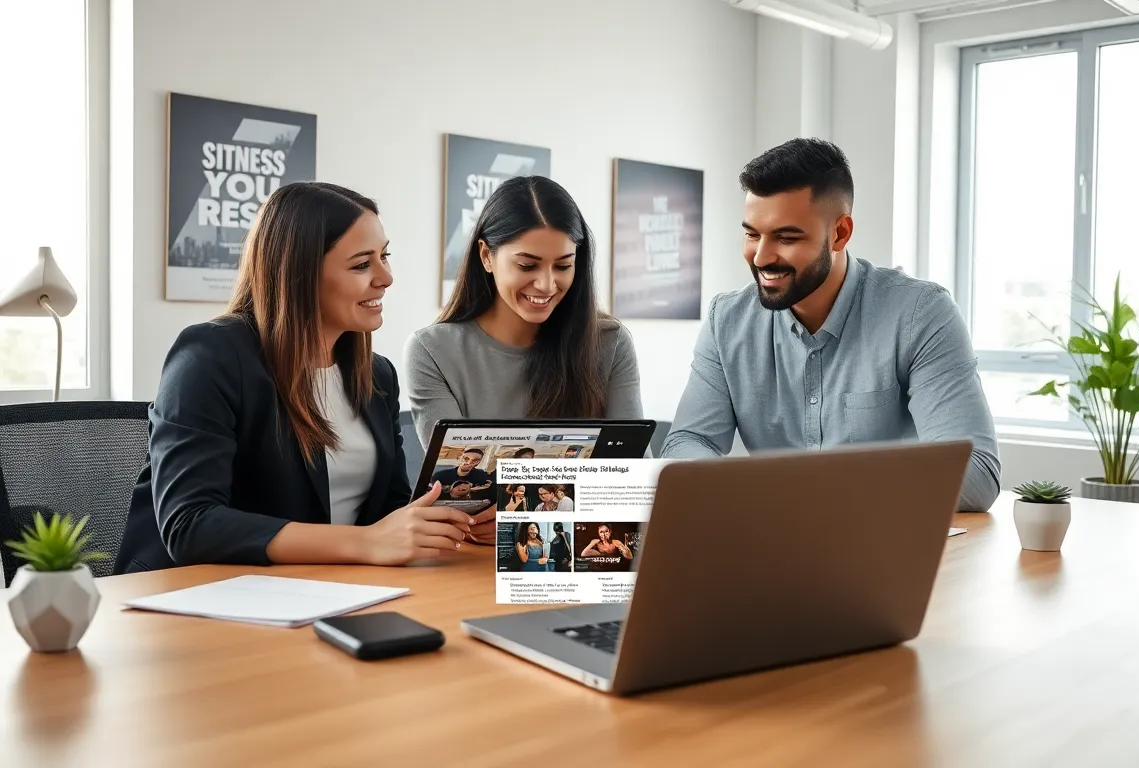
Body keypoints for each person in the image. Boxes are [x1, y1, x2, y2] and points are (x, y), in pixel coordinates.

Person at [114, 182, 478, 574]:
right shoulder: (209, 356)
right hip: (198, 597)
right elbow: (190, 525)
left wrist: (455, 522)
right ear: (298, 273)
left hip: (329, 590)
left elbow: (387, 510)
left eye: (384, 256)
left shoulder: (377, 375)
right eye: (361, 264)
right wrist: (366, 543)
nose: (385, 277)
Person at [659, 138, 1001, 512]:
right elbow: (687, 443)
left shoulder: (920, 313)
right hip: (771, 543)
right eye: (752, 234)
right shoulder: (726, 321)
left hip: (885, 546)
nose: (760, 257)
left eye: (786, 237)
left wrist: (810, 489)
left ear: (840, 233)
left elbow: (977, 476)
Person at [404, 175, 644, 452]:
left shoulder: (610, 343)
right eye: (527, 266)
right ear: (486, 256)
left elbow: (634, 471)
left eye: (563, 266)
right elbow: (458, 475)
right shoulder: (432, 351)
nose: (546, 284)